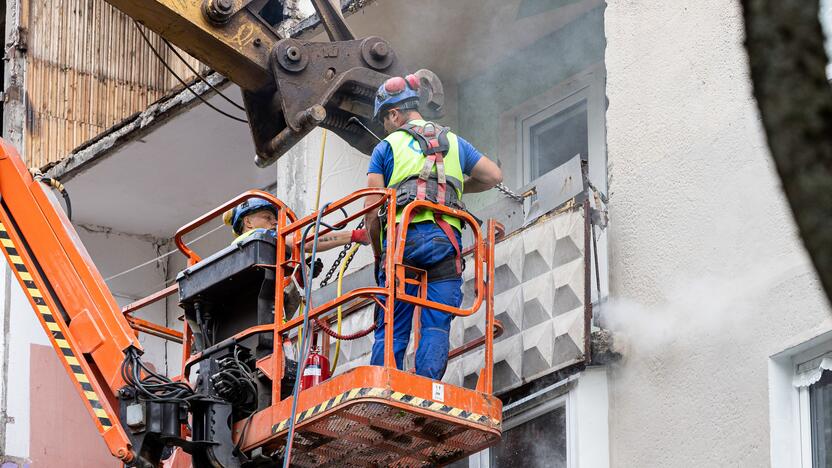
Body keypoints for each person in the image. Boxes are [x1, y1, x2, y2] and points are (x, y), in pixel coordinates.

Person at [364, 75, 502, 380]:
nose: (385, 128)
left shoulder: (386, 147)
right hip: (445, 244)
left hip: (403, 244)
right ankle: (428, 387)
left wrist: (378, 254)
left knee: (393, 324)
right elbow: (493, 176)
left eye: (385, 121)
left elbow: (371, 211)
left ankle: (383, 385)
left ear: (394, 114)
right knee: (436, 325)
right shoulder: (454, 141)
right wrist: (453, 188)